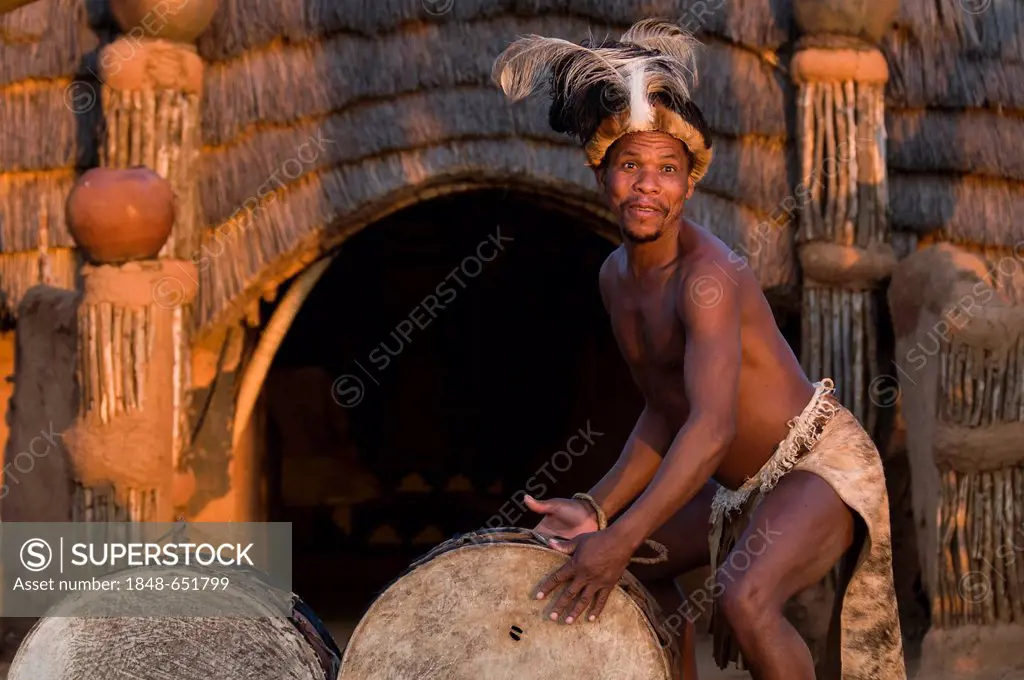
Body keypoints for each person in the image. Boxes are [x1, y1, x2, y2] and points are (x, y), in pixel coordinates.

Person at [492, 18, 906, 680]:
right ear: (601, 174)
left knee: (746, 599)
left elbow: (711, 428)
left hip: (816, 468)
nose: (648, 186)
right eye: (631, 166)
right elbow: (664, 410)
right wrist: (598, 509)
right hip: (736, 494)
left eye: (667, 170)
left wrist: (619, 536)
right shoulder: (615, 280)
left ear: (690, 183)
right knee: (634, 573)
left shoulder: (706, 280)